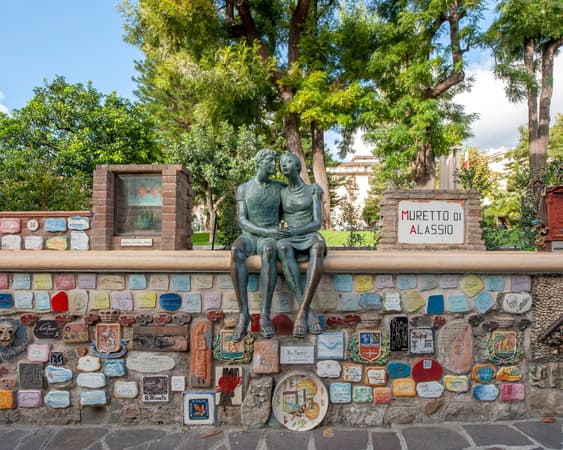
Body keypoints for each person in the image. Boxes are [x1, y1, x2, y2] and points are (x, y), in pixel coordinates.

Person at [230, 149, 287, 342]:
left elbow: (295, 200)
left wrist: (313, 191)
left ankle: (264, 315)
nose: (273, 164)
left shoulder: (280, 187)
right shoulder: (244, 188)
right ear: (259, 163)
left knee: (269, 251)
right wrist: (265, 231)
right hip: (250, 235)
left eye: (274, 161)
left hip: (268, 238)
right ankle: (243, 314)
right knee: (236, 250)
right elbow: (242, 220)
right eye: (270, 161)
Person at [277, 152, 327, 337]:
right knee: (282, 247)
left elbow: (317, 222)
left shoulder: (313, 189)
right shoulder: (281, 193)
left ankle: (301, 313)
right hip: (289, 237)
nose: (284, 165)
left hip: (309, 233)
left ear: (298, 166)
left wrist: (296, 231)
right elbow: (275, 219)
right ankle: (308, 312)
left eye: (289, 161)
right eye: (282, 163)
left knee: (318, 247)